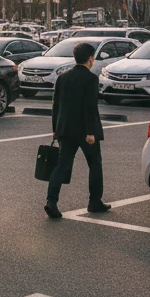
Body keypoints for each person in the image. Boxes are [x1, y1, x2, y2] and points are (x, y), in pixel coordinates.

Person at [45, 42, 111, 218]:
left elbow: (56, 105)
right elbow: (90, 106)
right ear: (90, 58)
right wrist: (90, 132)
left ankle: (51, 201)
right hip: (84, 130)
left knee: (62, 165)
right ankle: (94, 201)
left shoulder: (63, 77)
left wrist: (55, 129)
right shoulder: (91, 79)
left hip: (65, 129)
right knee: (95, 164)